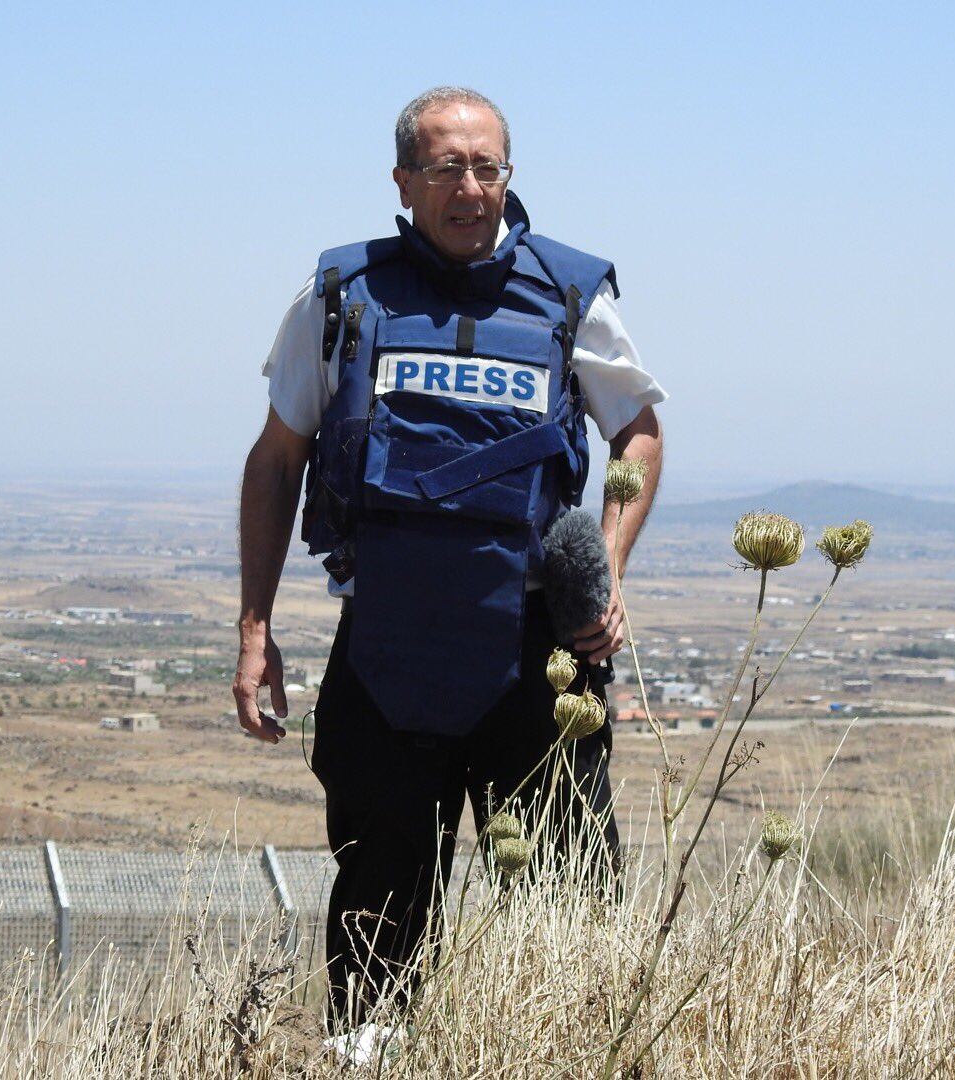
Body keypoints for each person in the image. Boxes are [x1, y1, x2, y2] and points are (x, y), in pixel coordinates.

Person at [232, 86, 665, 1030]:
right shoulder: (340, 298)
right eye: (446, 168)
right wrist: (255, 629)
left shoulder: (568, 296)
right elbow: (275, 463)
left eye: (488, 168)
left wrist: (612, 568)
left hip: (540, 656)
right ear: (403, 181)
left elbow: (638, 432)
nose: (472, 188)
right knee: (378, 928)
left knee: (569, 920)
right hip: (389, 653)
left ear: (509, 176)